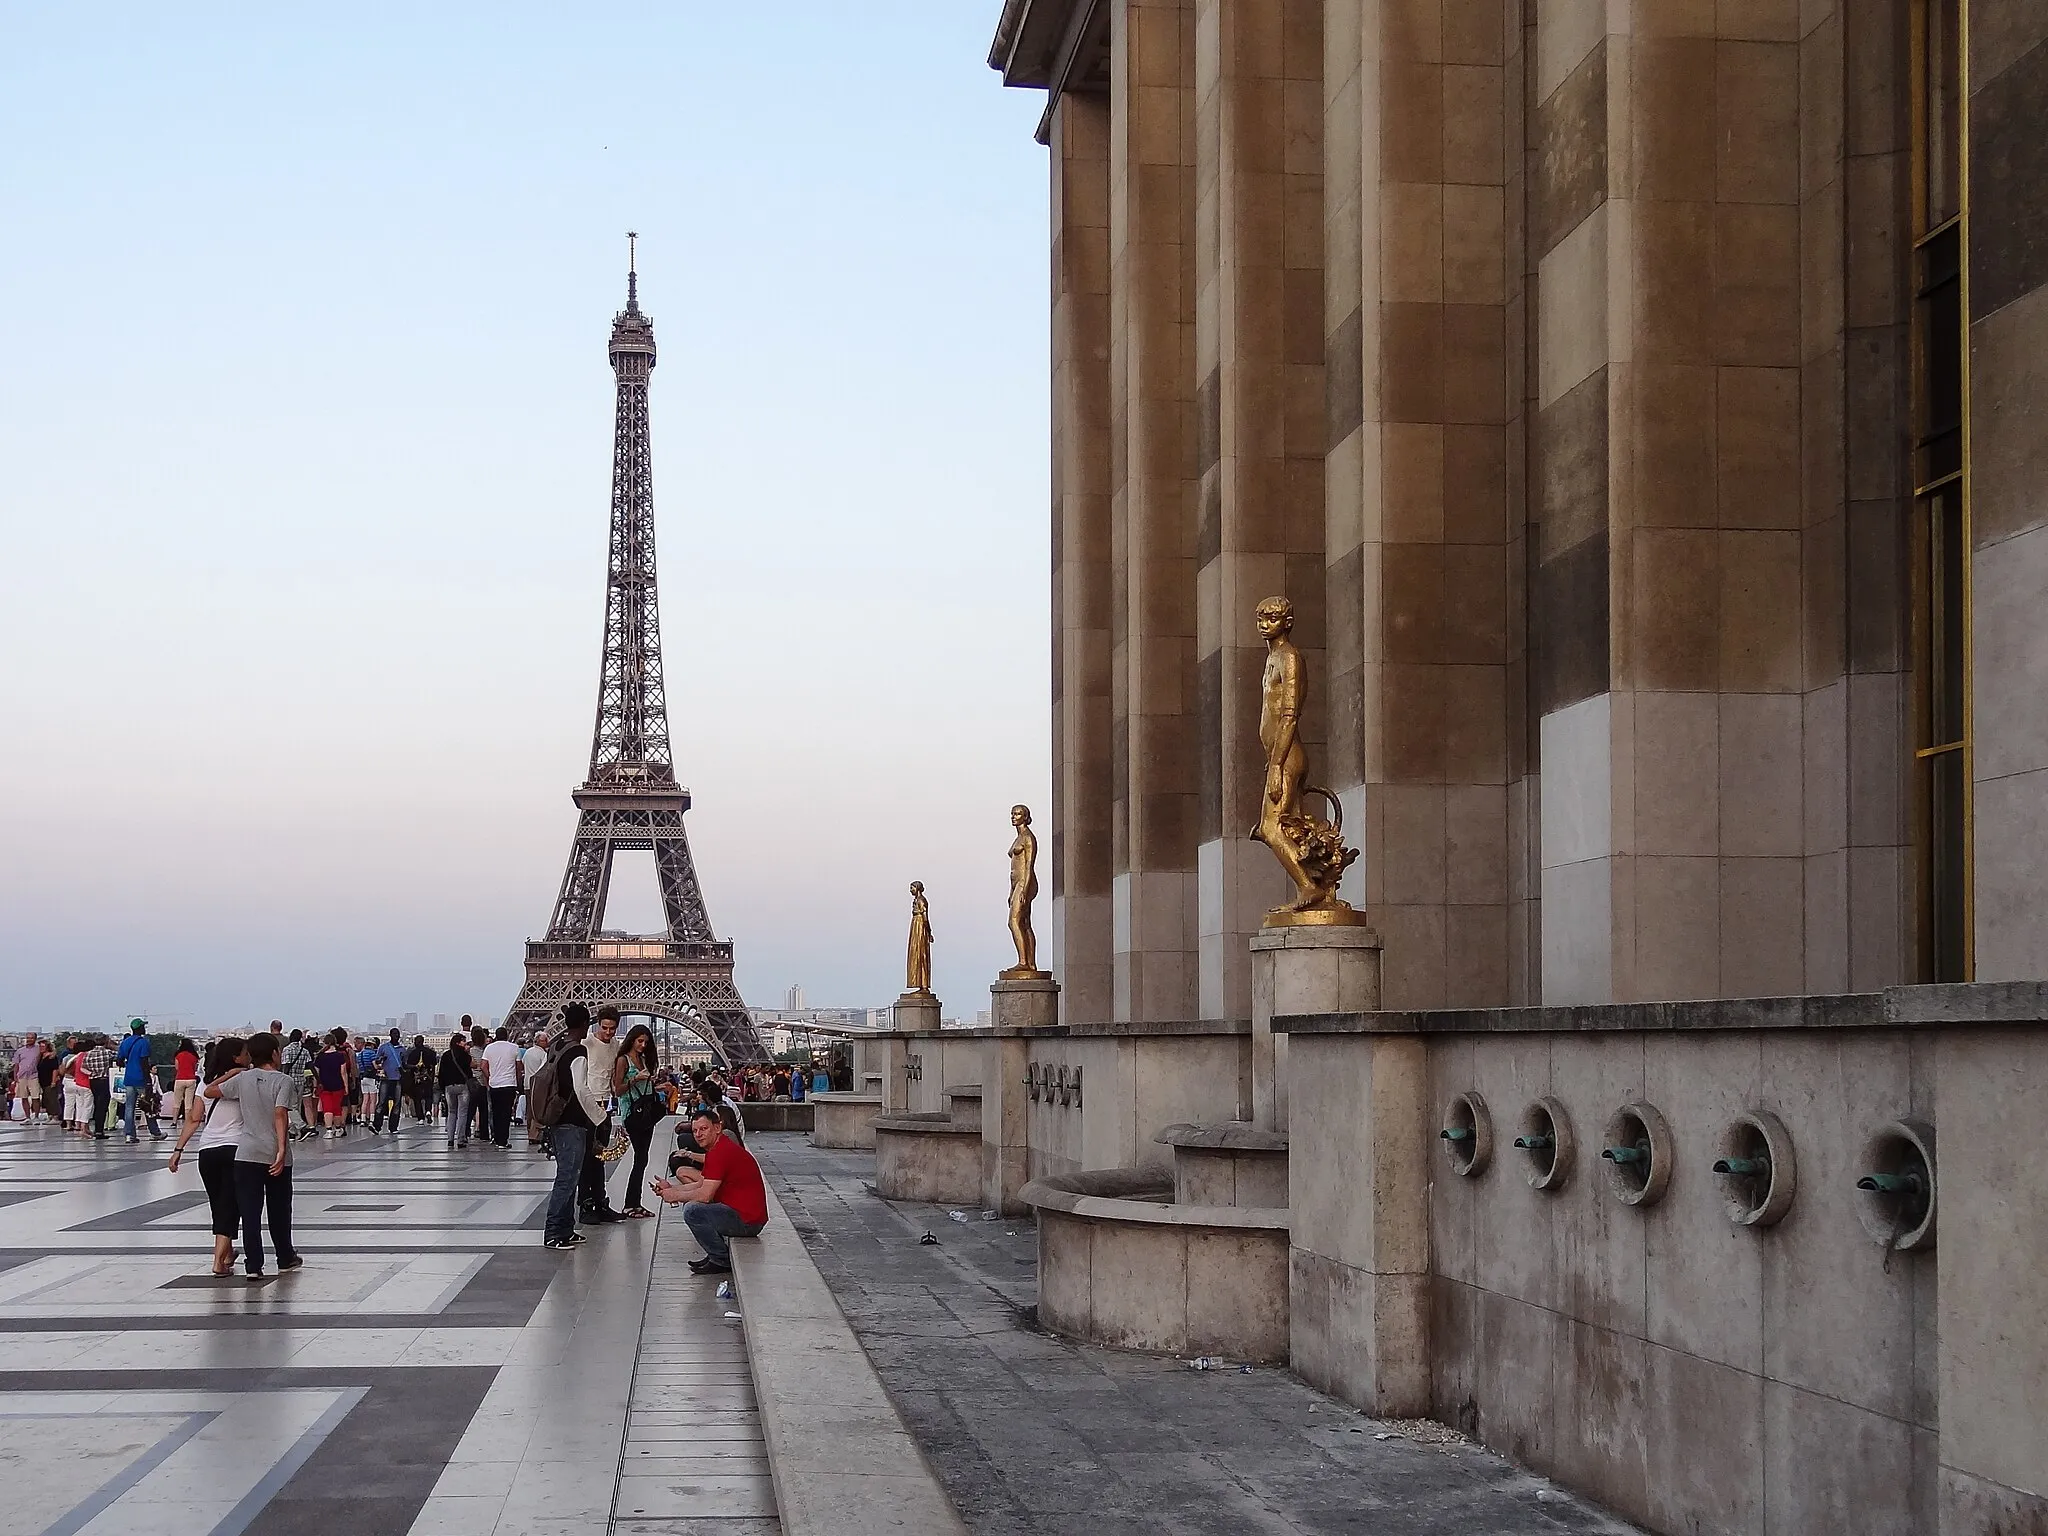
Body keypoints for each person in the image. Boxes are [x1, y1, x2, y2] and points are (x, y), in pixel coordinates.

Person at [205, 1031, 302, 1280]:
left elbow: (210, 1091)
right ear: (274, 1053)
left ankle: (254, 1265)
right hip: (273, 1152)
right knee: (279, 1209)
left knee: (250, 1211)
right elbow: (280, 1113)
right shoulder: (283, 1081)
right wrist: (281, 1149)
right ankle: (284, 1256)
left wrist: (234, 1073)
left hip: (246, 1153)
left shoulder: (243, 1079)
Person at [650, 1107, 769, 1275]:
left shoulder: (721, 1152)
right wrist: (671, 1189)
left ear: (717, 1128)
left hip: (748, 1221)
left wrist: (675, 1195)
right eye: (695, 1130)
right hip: (746, 1216)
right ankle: (715, 1254)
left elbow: (705, 1195)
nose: (698, 1134)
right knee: (693, 1207)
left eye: (703, 1129)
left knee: (693, 1211)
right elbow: (701, 1183)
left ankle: (720, 1258)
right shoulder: (718, 1149)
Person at [169, 1036, 246, 1276]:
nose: (248, 1055)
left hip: (207, 1150)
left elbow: (194, 1119)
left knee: (219, 1204)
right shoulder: (243, 1079)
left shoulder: (204, 1084)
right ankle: (218, 1261)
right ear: (235, 1057)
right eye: (244, 1052)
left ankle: (227, 1252)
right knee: (230, 1205)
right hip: (234, 1147)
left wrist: (178, 1150)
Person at [542, 1006, 597, 1250]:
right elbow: (581, 1088)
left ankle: (566, 1228)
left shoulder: (556, 1046)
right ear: (585, 1023)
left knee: (569, 1176)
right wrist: (600, 1117)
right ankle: (554, 1232)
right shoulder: (578, 1049)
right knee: (567, 1178)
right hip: (571, 1121)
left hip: (556, 1119)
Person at [579, 1008, 624, 1222]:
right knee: (588, 1158)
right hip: (588, 1105)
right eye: (604, 1028)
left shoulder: (616, 1045)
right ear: (598, 1024)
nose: (608, 1032)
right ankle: (586, 1205)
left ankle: (599, 1201)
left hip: (605, 1106)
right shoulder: (586, 1043)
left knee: (599, 1157)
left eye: (612, 1028)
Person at [613, 1024, 661, 1218]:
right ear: (631, 1040)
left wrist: (655, 1083)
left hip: (646, 1111)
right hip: (633, 1113)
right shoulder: (623, 1060)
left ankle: (635, 1203)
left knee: (642, 1158)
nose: (643, 1045)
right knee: (640, 1158)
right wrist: (636, 1079)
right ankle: (630, 1203)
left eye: (646, 1042)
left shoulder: (642, 1059)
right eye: (640, 1041)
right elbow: (617, 1090)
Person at [116, 1020, 164, 1143]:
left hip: (129, 1078)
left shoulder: (125, 1042)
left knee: (129, 1107)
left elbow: (119, 1060)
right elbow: (144, 1062)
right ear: (140, 1028)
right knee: (148, 1106)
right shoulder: (143, 1042)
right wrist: (148, 1080)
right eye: (143, 1026)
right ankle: (155, 1132)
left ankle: (129, 1134)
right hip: (140, 1078)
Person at [481, 1026, 521, 1148]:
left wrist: (490, 1076)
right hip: (509, 1084)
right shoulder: (514, 1048)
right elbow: (519, 1067)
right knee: (506, 1112)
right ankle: (503, 1140)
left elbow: (483, 1066)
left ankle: (497, 1138)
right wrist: (517, 1079)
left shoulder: (489, 1048)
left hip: (495, 1084)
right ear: (507, 1035)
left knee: (496, 1112)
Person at [438, 1031, 476, 1149]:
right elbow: (474, 1065)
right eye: (463, 1041)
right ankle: (460, 1138)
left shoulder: (445, 1055)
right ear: (458, 1043)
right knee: (462, 1113)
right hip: (462, 1086)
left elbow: (441, 1073)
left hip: (449, 1087)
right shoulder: (464, 1055)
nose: (465, 1043)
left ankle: (450, 1139)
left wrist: (442, 1087)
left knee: (451, 1112)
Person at [312, 1032, 350, 1137]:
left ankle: (329, 1130)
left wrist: (315, 1086)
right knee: (337, 1108)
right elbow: (343, 1072)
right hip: (338, 1085)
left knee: (327, 1108)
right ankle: (338, 1129)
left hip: (324, 1085)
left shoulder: (320, 1057)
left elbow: (316, 1073)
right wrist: (346, 1086)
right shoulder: (340, 1056)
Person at [82, 1035, 116, 1140]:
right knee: (103, 1106)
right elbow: (120, 1054)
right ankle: (99, 1130)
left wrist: (91, 1073)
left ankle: (97, 1129)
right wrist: (113, 1046)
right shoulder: (107, 1053)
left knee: (97, 1104)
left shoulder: (88, 1054)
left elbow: (83, 1068)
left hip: (93, 1080)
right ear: (106, 1042)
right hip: (103, 1080)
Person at [520, 1034, 549, 1152]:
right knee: (538, 1110)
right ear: (540, 1042)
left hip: (527, 1083)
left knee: (529, 1110)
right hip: (538, 1085)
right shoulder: (543, 1054)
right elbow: (544, 1070)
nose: (547, 1042)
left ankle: (529, 1133)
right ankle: (535, 1134)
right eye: (545, 1041)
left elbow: (522, 1064)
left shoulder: (528, 1052)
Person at [374, 1028, 405, 1134]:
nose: (396, 1036)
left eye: (398, 1034)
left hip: (397, 1078)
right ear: (390, 1035)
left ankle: (393, 1127)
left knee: (397, 1103)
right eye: (394, 1034)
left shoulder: (402, 1049)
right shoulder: (384, 1048)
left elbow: (404, 1063)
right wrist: (381, 1059)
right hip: (386, 1078)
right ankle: (377, 1126)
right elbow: (376, 1061)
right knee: (381, 1102)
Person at [405, 1035, 438, 1123]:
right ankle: (428, 1111)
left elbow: (408, 1066)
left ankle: (420, 1118)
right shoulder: (430, 1052)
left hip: (416, 1079)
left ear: (416, 1042)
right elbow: (434, 1064)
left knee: (417, 1098)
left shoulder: (412, 1053)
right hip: (428, 1077)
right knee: (428, 1096)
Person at [169, 1038, 201, 1126]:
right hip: (191, 1079)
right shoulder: (194, 1056)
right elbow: (195, 1068)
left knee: (177, 1102)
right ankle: (187, 1121)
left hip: (180, 1079)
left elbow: (177, 1067)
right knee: (188, 1103)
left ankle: (174, 1121)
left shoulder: (178, 1055)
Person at [10, 1034, 41, 1123]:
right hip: (22, 1076)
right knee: (24, 1097)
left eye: (31, 1038)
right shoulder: (20, 1051)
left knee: (35, 1097)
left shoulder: (38, 1049)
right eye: (28, 1038)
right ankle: (27, 1117)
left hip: (33, 1076)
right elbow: (16, 1064)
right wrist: (15, 1076)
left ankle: (36, 1117)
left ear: (35, 1039)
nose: (29, 1039)